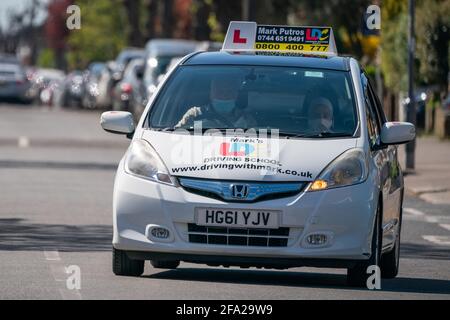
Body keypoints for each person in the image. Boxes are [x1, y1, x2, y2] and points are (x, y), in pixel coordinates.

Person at [175, 76, 256, 129]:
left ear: (236, 95)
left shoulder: (245, 119)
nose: (224, 96)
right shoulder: (195, 114)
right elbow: (176, 134)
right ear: (211, 94)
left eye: (229, 92)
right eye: (219, 91)